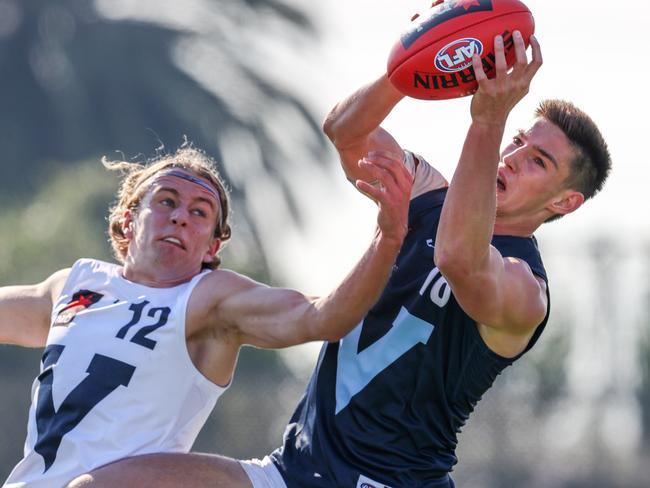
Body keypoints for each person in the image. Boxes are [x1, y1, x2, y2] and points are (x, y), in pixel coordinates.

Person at [67, 30, 611, 488]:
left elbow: (459, 260)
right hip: (292, 470)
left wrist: (488, 122)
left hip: (388, 483)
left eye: (536, 161)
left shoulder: (525, 290)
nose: (512, 160)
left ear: (564, 202)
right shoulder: (426, 197)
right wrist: (408, 64)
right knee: (101, 484)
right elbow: (345, 130)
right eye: (517, 141)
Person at [0, 142, 413, 488]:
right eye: (166, 201)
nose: (181, 215)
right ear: (127, 221)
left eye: (200, 212)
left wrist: (389, 237)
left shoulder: (208, 300)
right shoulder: (73, 285)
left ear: (212, 248)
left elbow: (322, 317)